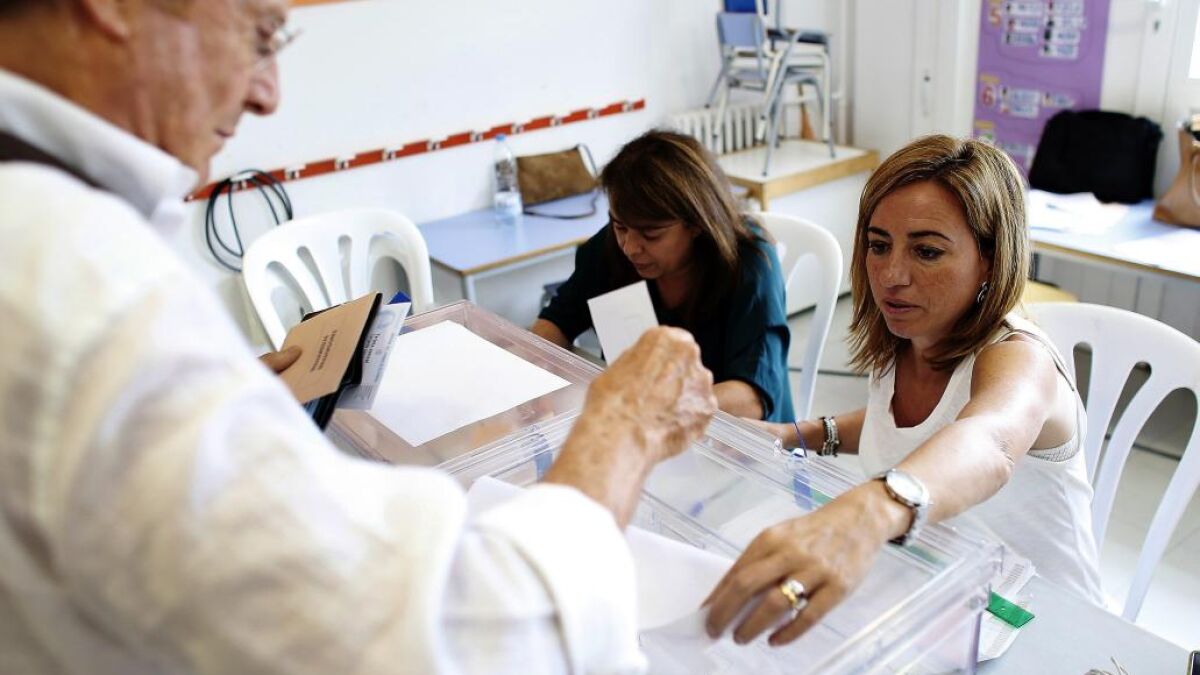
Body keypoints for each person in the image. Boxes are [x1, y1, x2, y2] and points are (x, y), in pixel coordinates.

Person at [0, 2, 718, 673]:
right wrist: (622, 427)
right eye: (260, 34)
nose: (268, 93)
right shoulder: (81, 285)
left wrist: (225, 395)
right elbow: (481, 637)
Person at [704, 135, 1104, 647]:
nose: (891, 276)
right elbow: (902, 425)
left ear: (989, 258)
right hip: (942, 598)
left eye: (927, 251)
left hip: (1044, 630)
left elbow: (988, 440)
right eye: (878, 245)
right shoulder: (908, 337)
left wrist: (870, 510)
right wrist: (797, 434)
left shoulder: (1020, 359)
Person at [531, 130, 795, 422]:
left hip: (733, 434)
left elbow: (751, 398)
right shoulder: (610, 249)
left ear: (697, 223)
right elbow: (556, 321)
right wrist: (536, 368)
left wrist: (655, 410)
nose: (630, 247)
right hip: (642, 423)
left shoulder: (749, 264)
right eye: (620, 226)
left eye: (651, 234)